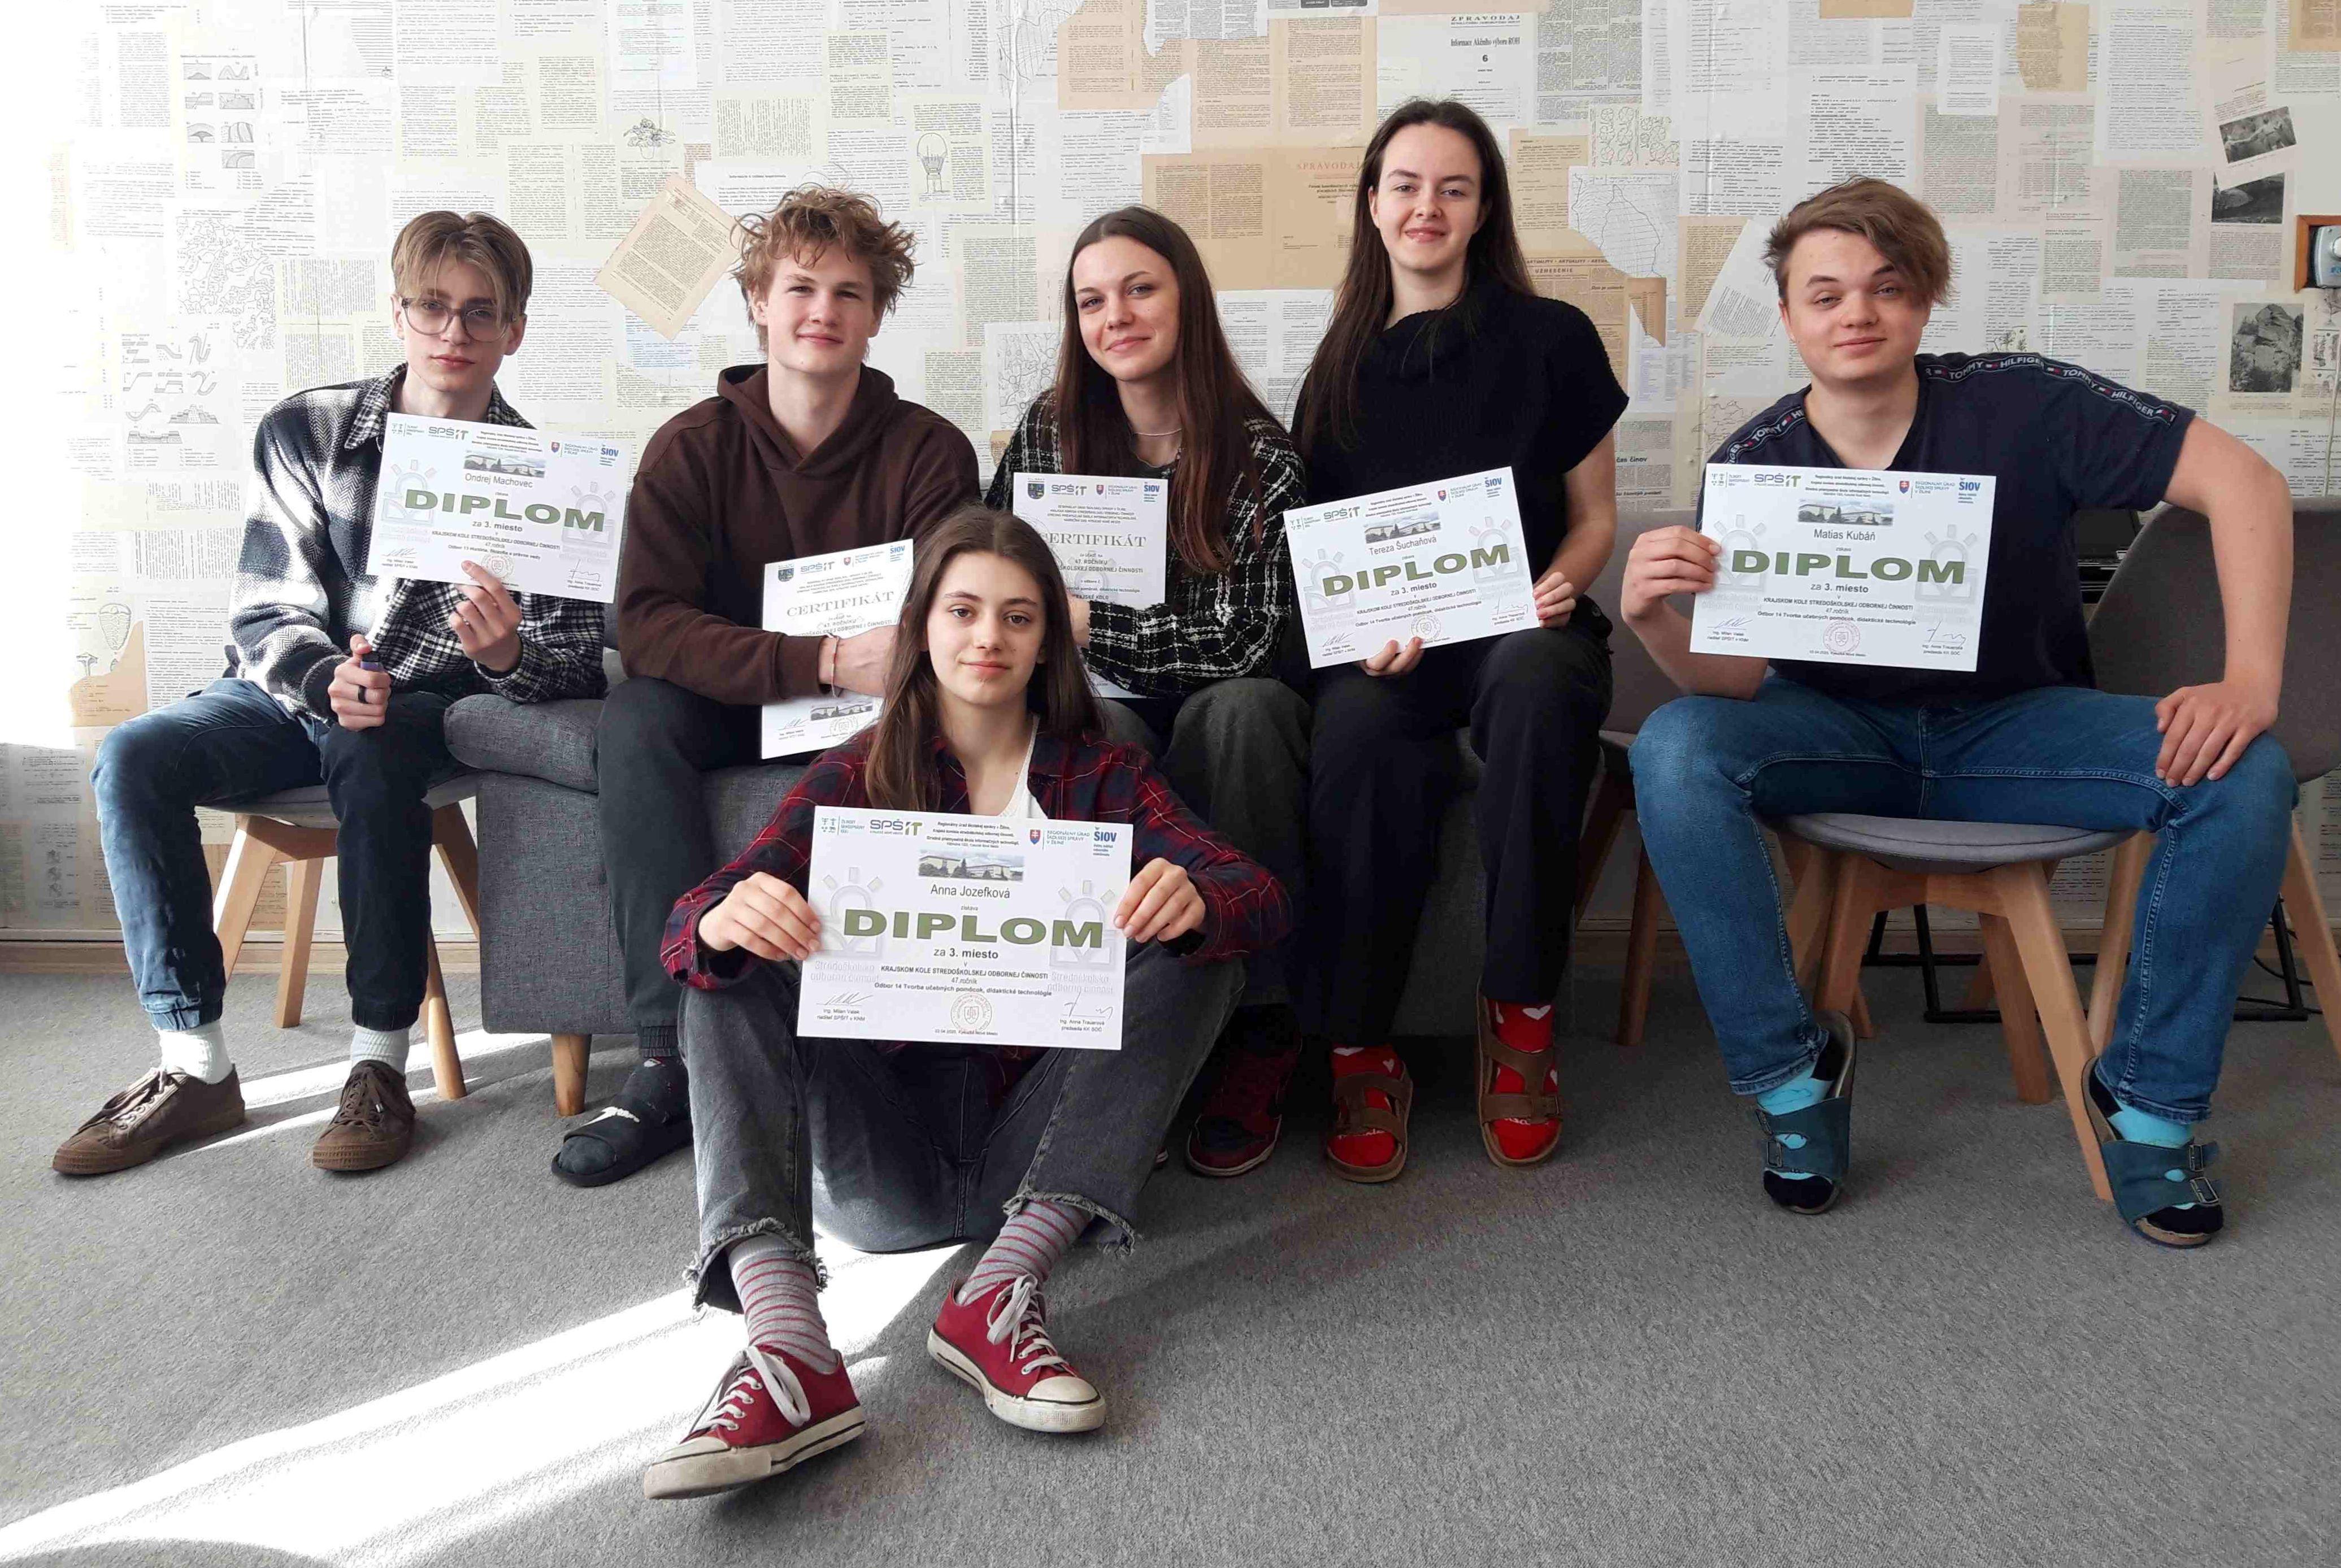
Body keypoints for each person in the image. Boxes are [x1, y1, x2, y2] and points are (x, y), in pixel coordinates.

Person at [1622, 178, 2296, 1246]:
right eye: (1826, 294)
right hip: (1837, 732)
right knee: (1673, 748)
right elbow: (1735, 687)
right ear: (1789, 316)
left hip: (2018, 729)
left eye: (1886, 288)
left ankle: (2149, 1104)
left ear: (1925, 299)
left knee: (2248, 770)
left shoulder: (2024, 401)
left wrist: (2251, 679)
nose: (1857, 313)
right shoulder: (1753, 464)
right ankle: (1794, 1082)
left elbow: (2247, 482)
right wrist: (1653, 619)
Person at [641, 506, 1289, 1499]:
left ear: (1049, 641)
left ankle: (999, 1296)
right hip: (877, 1158)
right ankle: (787, 1346)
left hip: (1040, 1161)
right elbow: (686, 923)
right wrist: (726, 918)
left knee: (1200, 947)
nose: (989, 637)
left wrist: (1200, 899)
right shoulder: (856, 770)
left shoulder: (1103, 772)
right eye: (964, 610)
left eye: (1019, 617)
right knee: (725, 958)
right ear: (923, 626)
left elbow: (1259, 894)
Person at [57, 211, 606, 1177]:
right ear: (399, 315)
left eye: (481, 314)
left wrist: (507, 654)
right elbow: (265, 610)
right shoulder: (305, 430)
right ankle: (194, 1066)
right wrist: (324, 678)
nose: (454, 332)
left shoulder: (546, 477)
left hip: (425, 710)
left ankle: (378, 1063)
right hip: (285, 694)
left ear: (515, 332)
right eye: (432, 307)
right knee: (134, 755)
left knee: (374, 737)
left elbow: (576, 662)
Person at [566, 186, 980, 1187]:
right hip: (736, 704)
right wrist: (820, 658)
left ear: (876, 315)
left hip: (879, 712)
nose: (822, 312)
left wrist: (885, 665)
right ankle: (669, 1056)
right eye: (800, 288)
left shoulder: (931, 450)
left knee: (948, 723)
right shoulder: (691, 447)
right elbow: (649, 625)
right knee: (635, 717)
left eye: (849, 293)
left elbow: (956, 615)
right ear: (757, 301)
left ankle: (908, 1047)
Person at [1289, 99, 1625, 1182]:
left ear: (1484, 211)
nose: (1426, 206)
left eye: (1454, 188)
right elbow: (1325, 558)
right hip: (1394, 654)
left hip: (1527, 629)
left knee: (1535, 678)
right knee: (1353, 733)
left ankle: (1522, 1013)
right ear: (1371, 204)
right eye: (1406, 185)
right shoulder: (1336, 369)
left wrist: (1560, 585)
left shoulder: (1554, 337)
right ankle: (1359, 1043)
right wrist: (1361, 635)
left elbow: (1594, 519)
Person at [985, 205, 1310, 1178]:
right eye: (1091, 301)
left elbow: (1247, 643)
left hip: (1229, 704)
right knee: (1095, 723)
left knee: (1243, 713)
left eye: (1139, 290)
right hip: (1100, 700)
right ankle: (1105, 1031)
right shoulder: (1049, 433)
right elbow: (995, 575)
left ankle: (1259, 1025)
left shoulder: (1262, 457)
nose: (1115, 316)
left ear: (1186, 300)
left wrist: (1089, 624)